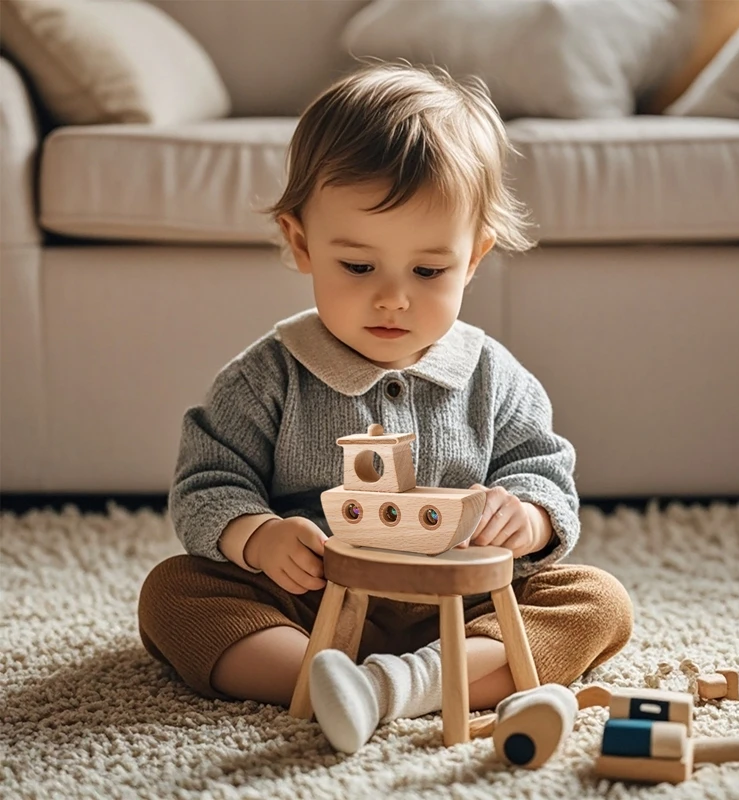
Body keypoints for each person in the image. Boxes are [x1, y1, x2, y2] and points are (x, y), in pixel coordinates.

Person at [138, 62, 634, 754]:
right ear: (302, 243)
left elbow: (543, 469)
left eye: (428, 271)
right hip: (315, 603)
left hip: (462, 607)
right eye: (359, 267)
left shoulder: (494, 376)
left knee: (598, 602)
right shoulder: (267, 376)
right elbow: (206, 483)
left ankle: (400, 686)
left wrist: (526, 517)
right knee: (174, 595)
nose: (393, 299)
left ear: (473, 258)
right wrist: (257, 536)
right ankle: (322, 675)